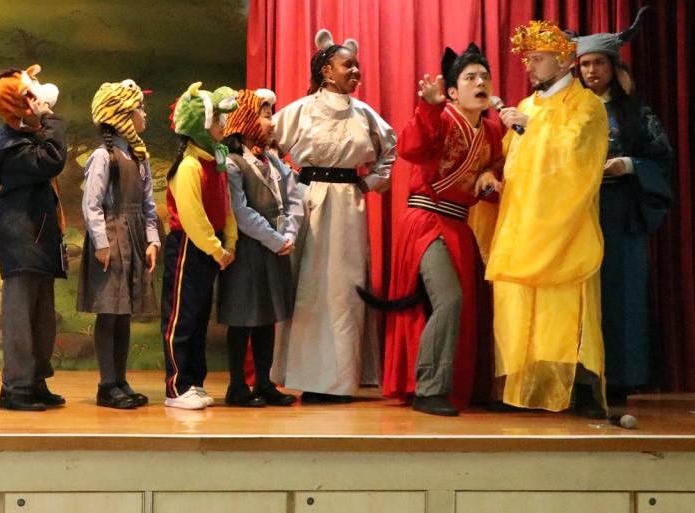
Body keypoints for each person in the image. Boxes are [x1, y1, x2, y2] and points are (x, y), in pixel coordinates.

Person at [364, 45, 505, 416]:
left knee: (466, 307)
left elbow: (494, 169)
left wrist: (489, 177)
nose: (480, 82)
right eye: (470, 77)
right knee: (450, 299)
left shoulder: (493, 131)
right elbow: (411, 148)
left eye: (484, 76)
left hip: (458, 224)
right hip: (426, 221)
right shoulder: (442, 118)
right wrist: (428, 106)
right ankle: (428, 389)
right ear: (453, 92)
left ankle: (458, 386)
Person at [489, 20, 608, 419]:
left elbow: (580, 152)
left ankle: (580, 388)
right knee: (519, 306)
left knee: (564, 310)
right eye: (527, 59)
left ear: (563, 61)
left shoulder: (585, 105)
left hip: (564, 226)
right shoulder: (527, 106)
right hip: (523, 224)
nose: (529, 66)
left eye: (537, 58)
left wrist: (534, 128)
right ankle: (521, 391)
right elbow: (511, 159)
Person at [270, 29, 396, 403]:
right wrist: (288, 185)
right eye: (347, 65)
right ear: (327, 70)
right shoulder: (302, 110)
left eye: (357, 65)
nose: (355, 71)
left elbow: (389, 151)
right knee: (308, 288)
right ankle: (305, 376)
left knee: (344, 290)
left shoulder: (364, 115)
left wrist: (368, 183)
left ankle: (340, 381)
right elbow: (267, 144)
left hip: (348, 206)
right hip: (308, 202)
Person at [574, 9, 672, 403]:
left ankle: (618, 378)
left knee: (620, 292)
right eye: (585, 64)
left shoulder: (635, 112)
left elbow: (661, 159)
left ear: (613, 67)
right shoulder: (569, 109)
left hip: (619, 211)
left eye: (599, 63)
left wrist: (629, 165)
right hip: (576, 210)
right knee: (579, 294)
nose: (592, 71)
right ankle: (578, 379)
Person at [0, 65, 69, 412]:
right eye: (31, 90)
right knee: (20, 315)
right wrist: (50, 118)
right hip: (21, 237)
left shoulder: (26, 138)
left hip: (37, 237)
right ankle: (16, 387)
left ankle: (35, 380)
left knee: (41, 315)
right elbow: (53, 160)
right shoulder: (12, 146)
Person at [216, 88, 302, 408]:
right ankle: (237, 385)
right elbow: (242, 212)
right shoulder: (234, 163)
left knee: (267, 316)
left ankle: (264, 382)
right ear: (246, 120)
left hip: (274, 248)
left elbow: (292, 199)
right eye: (266, 116)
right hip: (249, 251)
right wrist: (276, 240)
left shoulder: (272, 160)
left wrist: (289, 233)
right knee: (243, 317)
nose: (272, 122)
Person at [77, 80, 159, 410]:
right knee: (110, 311)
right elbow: (92, 204)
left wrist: (152, 239)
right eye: (139, 108)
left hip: (134, 236)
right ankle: (107, 383)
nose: (144, 114)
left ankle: (121, 380)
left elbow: (149, 203)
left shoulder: (139, 157)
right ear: (122, 114)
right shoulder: (104, 157)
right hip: (111, 237)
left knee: (124, 312)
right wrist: (101, 243)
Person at [161, 82, 238, 410]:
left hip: (211, 248)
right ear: (199, 125)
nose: (222, 125)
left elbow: (226, 207)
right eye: (217, 119)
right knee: (181, 317)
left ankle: (194, 381)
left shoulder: (215, 162)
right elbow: (192, 217)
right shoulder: (189, 166)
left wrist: (230, 241)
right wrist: (216, 249)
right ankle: (177, 387)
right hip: (189, 248)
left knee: (199, 317)